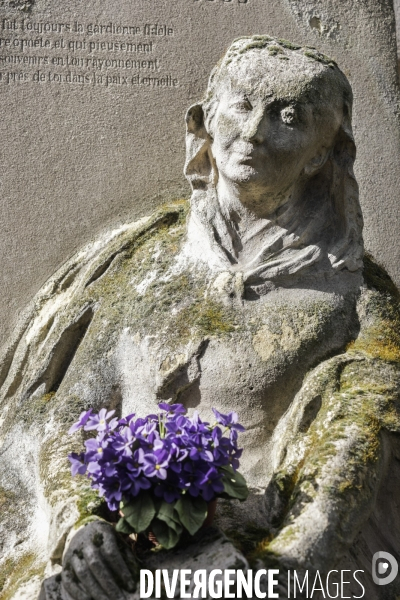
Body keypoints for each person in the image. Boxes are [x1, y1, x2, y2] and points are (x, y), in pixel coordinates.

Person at [1, 36, 399, 599]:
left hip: (247, 563)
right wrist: (80, 524)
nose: (256, 130)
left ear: (322, 152)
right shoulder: (142, 268)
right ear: (205, 122)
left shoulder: (354, 305)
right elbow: (70, 413)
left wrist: (274, 571)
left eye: (288, 117)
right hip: (105, 557)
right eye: (240, 105)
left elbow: (352, 457)